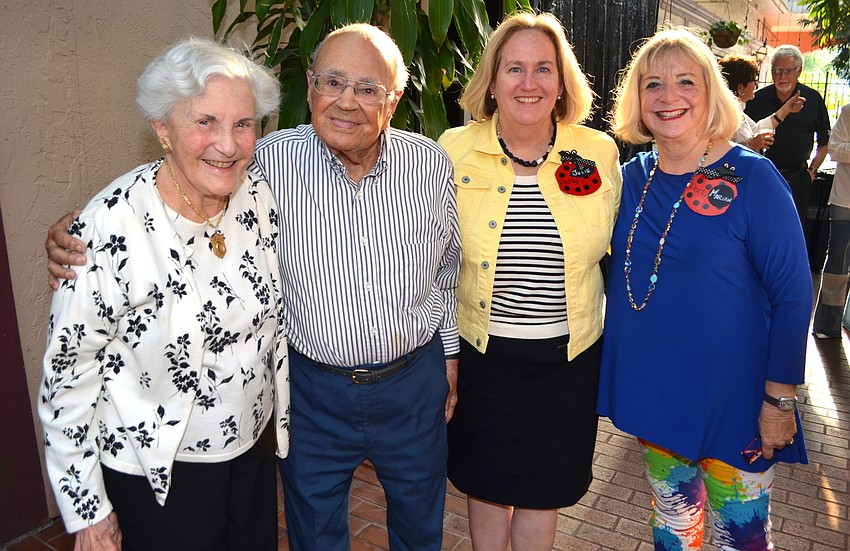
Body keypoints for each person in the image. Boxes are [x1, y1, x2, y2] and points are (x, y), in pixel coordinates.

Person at [46, 24, 461, 551]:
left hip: (393, 389)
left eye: (367, 87)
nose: (346, 102)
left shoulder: (423, 165)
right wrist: (72, 229)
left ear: (395, 98)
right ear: (310, 87)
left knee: (420, 526)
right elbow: (166, 184)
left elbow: (448, 266)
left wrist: (447, 354)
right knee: (315, 531)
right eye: (332, 81)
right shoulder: (266, 164)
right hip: (302, 398)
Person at [38, 38, 288, 551]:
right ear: (162, 130)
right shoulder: (108, 228)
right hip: (158, 474)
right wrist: (87, 510)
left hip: (251, 452)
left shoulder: (258, 192)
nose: (228, 144)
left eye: (243, 124)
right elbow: (67, 376)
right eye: (205, 123)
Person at [599, 28, 811, 550]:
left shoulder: (753, 178)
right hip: (659, 396)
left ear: (711, 92)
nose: (668, 97)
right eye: (653, 85)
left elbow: (793, 295)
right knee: (672, 529)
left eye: (685, 81)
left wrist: (779, 402)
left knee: (740, 537)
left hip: (737, 401)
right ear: (637, 99)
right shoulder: (628, 178)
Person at [438, 12, 621, 551]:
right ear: (492, 81)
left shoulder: (598, 152)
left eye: (544, 68)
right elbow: (429, 261)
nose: (529, 82)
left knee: (543, 492)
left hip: (566, 361)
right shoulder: (451, 151)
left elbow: (622, 248)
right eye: (514, 68)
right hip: (481, 357)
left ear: (562, 81)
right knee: (486, 486)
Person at [745, 44, 831, 225]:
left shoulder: (813, 99)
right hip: (760, 175)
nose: (781, 76)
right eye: (776, 71)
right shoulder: (757, 99)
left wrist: (812, 172)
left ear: (799, 71)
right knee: (758, 227)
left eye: (787, 71)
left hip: (797, 178)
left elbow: (824, 143)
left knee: (791, 229)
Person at [813, 102, 850, 338]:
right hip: (845, 200)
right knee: (837, 261)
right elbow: (834, 149)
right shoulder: (847, 112)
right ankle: (827, 324)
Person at [717, 54, 800, 151]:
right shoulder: (722, 115)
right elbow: (717, 150)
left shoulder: (738, 112)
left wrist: (786, 109)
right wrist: (749, 145)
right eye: (753, 80)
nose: (756, 85)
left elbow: (757, 129)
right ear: (740, 87)